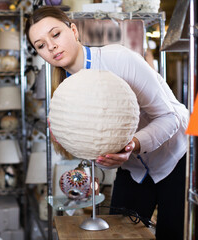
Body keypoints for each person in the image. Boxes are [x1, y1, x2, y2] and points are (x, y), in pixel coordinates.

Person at [25, 6, 188, 240]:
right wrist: (106, 162)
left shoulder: (119, 59)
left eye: (55, 34)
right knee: (118, 234)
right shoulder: (64, 94)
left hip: (175, 159)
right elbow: (105, 148)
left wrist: (133, 144)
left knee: (171, 234)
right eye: (40, 45)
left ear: (73, 30)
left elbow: (170, 117)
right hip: (134, 169)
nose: (51, 46)